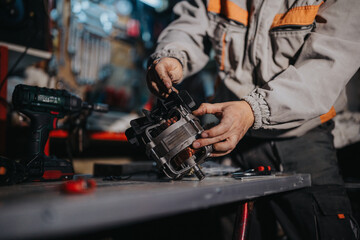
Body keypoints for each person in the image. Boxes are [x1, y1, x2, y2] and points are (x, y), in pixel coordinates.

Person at [146, 0, 360, 239]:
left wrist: (253, 110)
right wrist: (172, 55)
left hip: (303, 138)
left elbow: (326, 66)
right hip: (231, 140)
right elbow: (189, 25)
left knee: (325, 231)